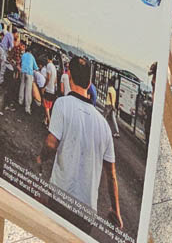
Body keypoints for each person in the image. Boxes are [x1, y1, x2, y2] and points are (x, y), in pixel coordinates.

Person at [39, 57, 122, 228]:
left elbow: (50, 144)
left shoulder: (62, 104)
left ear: (69, 76)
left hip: (61, 196)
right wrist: (116, 212)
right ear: (89, 82)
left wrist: (41, 158)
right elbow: (111, 175)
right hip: (87, 210)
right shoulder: (104, 125)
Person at [18, 43, 38, 114]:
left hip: (23, 71)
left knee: (22, 86)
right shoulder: (32, 57)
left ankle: (20, 101)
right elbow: (36, 67)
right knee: (28, 90)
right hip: (29, 73)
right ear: (31, 51)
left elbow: (20, 63)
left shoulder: (23, 55)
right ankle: (27, 108)